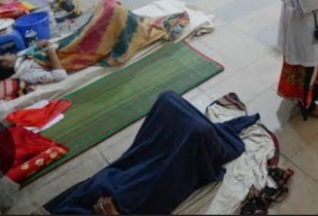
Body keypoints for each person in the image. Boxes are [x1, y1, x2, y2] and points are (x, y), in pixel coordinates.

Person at [43, 91, 258, 215]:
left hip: (108, 187)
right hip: (131, 204)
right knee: (195, 134)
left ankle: (192, 140)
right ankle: (201, 142)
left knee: (168, 101)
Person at [0, 40, 67, 85]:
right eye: (4, 56)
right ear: (5, 63)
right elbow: (60, 76)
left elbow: (31, 51)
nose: (7, 54)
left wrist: (39, 45)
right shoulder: (28, 74)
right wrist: (51, 52)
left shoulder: (21, 59)